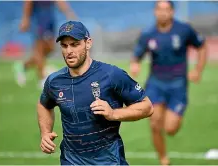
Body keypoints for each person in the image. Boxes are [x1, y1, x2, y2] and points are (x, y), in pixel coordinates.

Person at [37, 21, 154, 165]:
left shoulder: (111, 75)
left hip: (109, 161)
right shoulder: (54, 81)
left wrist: (113, 114)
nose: (69, 51)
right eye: (64, 45)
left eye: (74, 44)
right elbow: (44, 104)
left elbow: (147, 107)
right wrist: (45, 132)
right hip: (70, 161)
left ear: (88, 43)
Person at [130, 1, 207, 165]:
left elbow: (201, 46)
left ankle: (170, 115)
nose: (163, 13)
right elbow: (137, 54)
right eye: (159, 9)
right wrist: (135, 64)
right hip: (155, 84)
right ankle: (163, 159)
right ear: (155, 12)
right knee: (154, 122)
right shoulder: (148, 33)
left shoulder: (184, 29)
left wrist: (198, 70)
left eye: (166, 10)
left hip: (178, 85)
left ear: (172, 12)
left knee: (170, 129)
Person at [14, 1, 77, 88]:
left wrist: (68, 13)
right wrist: (25, 18)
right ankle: (42, 78)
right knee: (39, 47)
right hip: (37, 18)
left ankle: (24, 66)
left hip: (49, 18)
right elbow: (28, 2)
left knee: (50, 48)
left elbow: (59, 1)